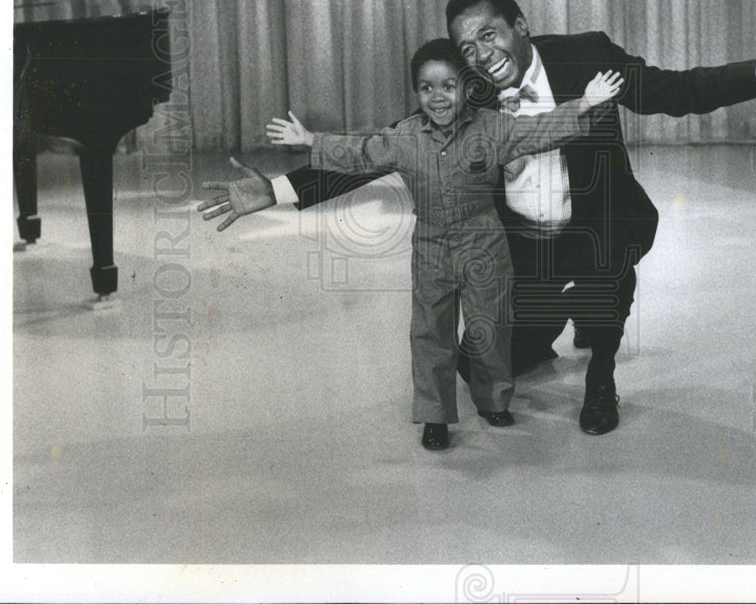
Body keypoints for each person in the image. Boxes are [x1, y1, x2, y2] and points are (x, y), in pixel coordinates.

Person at [199, 0, 756, 437]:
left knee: (604, 283)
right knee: (501, 357)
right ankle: (541, 329)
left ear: (522, 28)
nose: (482, 55)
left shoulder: (587, 58)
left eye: (491, 36)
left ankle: (601, 373)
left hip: (599, 224)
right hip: (520, 243)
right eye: (468, 46)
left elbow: (674, 91)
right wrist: (279, 192)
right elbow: (385, 149)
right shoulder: (469, 94)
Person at [244, 38, 623, 450]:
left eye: (448, 86)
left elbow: (538, 131)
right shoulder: (405, 137)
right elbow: (362, 152)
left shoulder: (493, 128)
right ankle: (434, 416)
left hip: (485, 243)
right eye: (427, 88)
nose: (438, 97)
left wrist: (584, 103)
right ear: (416, 92)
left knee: (490, 327)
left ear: (467, 88)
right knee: (430, 333)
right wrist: (311, 140)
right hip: (431, 247)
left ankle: (493, 399)